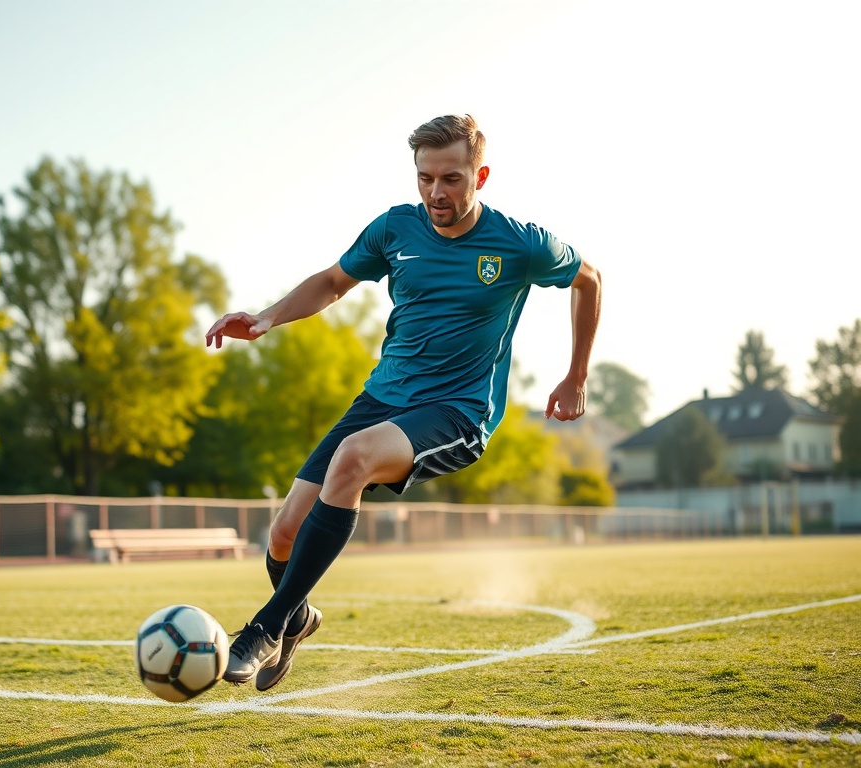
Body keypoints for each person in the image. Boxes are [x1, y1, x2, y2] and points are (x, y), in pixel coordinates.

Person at [204, 114, 602, 690]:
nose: (437, 193)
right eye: (425, 179)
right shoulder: (396, 229)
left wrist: (576, 375)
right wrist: (267, 316)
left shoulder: (521, 244)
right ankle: (299, 615)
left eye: (452, 179)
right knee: (283, 535)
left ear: (480, 176)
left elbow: (589, 279)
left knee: (354, 459)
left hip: (457, 410)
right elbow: (334, 281)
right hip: (381, 399)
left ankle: (264, 629)